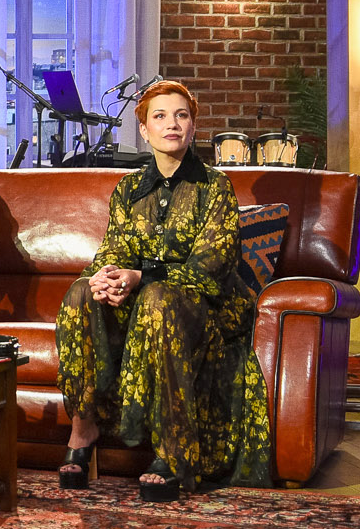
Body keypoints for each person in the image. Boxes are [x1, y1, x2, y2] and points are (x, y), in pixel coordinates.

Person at [52, 80, 271, 503]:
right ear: (144, 129)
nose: (172, 124)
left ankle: (174, 453)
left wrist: (141, 277)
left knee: (158, 298)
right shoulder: (128, 189)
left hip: (202, 307)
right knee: (80, 292)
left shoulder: (215, 187)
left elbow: (211, 265)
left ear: (193, 127)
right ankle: (83, 429)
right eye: (160, 116)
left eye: (181, 115)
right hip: (140, 301)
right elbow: (113, 249)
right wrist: (107, 277)